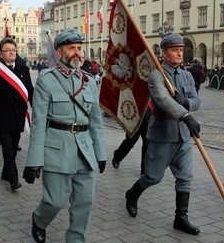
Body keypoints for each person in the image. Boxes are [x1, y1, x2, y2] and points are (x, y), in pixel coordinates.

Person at [23, 29, 106, 243]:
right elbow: (39, 123)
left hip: (84, 151)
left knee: (84, 203)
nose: (78, 53)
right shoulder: (46, 80)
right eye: (72, 48)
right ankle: (39, 219)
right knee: (55, 201)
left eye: (79, 48)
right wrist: (34, 161)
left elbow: (96, 121)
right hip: (57, 149)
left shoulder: (88, 81)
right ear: (59, 53)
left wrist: (101, 153)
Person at [124, 33, 201, 235]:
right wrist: (185, 114)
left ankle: (181, 218)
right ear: (164, 53)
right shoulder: (156, 75)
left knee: (185, 177)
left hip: (183, 134)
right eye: (174, 50)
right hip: (162, 133)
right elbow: (163, 101)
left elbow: (196, 100)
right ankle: (132, 194)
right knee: (152, 176)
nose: (179, 53)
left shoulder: (186, 75)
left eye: (181, 50)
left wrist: (187, 103)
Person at [0, 37, 34, 191]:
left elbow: (29, 89)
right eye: (8, 50)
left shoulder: (23, 68)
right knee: (8, 149)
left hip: (18, 116)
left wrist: (35, 106)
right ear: (1, 54)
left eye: (13, 50)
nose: (11, 52)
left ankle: (5, 172)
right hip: (2, 115)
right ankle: (13, 179)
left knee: (14, 146)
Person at [112, 108, 151, 174]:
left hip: (150, 121)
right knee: (129, 142)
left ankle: (144, 171)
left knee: (147, 147)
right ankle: (117, 156)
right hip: (136, 120)